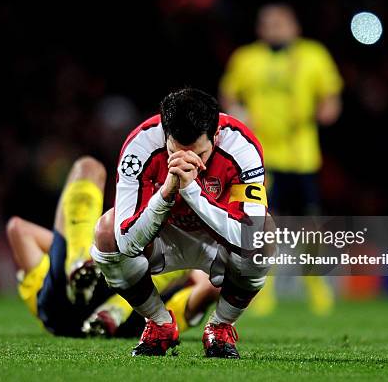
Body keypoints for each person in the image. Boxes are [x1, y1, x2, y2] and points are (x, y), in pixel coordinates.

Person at [91, 88, 270, 358]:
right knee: (106, 232)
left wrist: (191, 191)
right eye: (175, 151)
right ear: (165, 134)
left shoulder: (242, 147)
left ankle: (220, 327)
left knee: (264, 235)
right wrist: (166, 193)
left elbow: (249, 234)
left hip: (217, 239)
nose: (187, 161)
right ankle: (159, 323)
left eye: (199, 154)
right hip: (163, 237)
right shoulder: (139, 147)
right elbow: (126, 241)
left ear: (216, 136)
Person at [6, 156, 219, 337]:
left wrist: (79, 243)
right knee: (180, 253)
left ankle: (80, 259)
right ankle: (118, 307)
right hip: (130, 322)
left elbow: (17, 228)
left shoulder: (47, 307)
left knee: (88, 167)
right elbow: (211, 287)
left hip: (63, 308)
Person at [220, 3, 343, 316]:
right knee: (261, 219)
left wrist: (326, 109)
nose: (275, 29)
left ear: (295, 26)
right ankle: (263, 286)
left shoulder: (314, 55)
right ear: (260, 29)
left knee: (309, 223)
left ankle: (315, 284)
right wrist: (238, 113)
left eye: (281, 23)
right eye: (268, 24)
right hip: (260, 156)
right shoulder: (246, 59)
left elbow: (331, 97)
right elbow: (230, 95)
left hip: (302, 155)